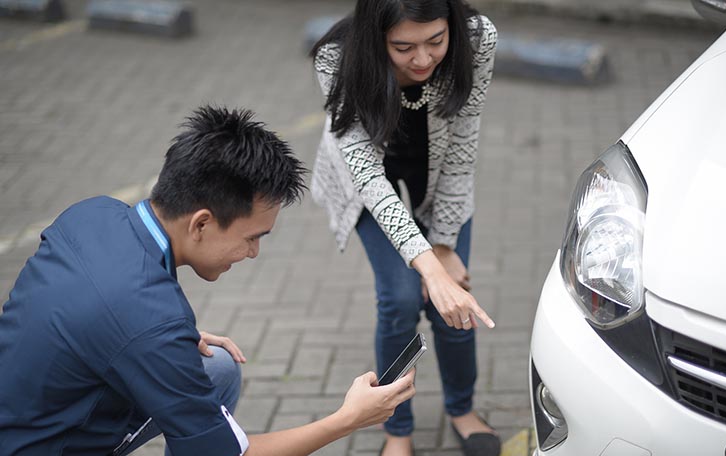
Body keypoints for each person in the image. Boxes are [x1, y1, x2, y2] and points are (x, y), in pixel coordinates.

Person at [0, 105, 416, 456]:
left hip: (20, 415)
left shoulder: (93, 213)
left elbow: (80, 313)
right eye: (252, 237)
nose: (254, 253)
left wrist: (151, 340)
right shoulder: (150, 321)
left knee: (216, 368)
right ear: (201, 223)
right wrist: (349, 419)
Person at [309, 1, 500, 455]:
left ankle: (462, 408)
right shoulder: (337, 56)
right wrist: (429, 269)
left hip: (441, 172)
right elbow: (367, 177)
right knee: (399, 299)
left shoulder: (477, 38)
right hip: (368, 183)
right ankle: (397, 428)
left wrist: (445, 246)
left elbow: (463, 146)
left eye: (436, 41)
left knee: (453, 298)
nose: (422, 59)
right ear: (377, 37)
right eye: (403, 47)